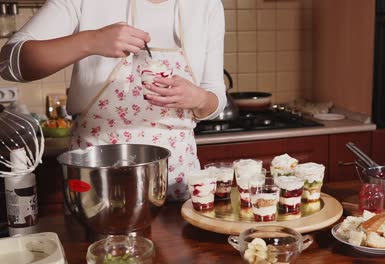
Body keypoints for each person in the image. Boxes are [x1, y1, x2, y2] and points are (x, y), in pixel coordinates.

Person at [0, 0, 227, 201]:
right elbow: (10, 62)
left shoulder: (207, 5)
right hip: (96, 178)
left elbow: (214, 95)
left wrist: (199, 98)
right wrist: (90, 41)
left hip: (177, 178)